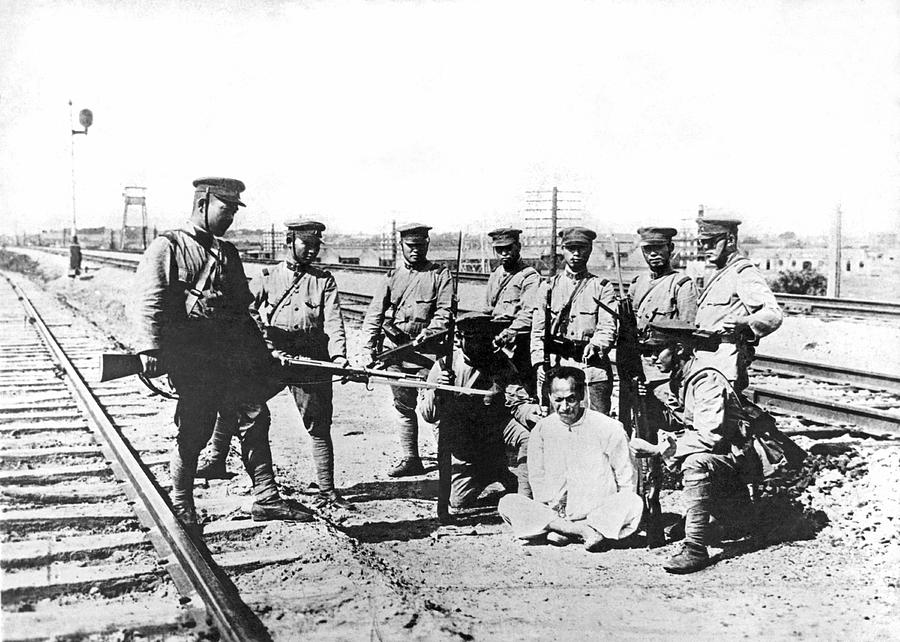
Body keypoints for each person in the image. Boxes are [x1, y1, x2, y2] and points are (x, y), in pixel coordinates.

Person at [132, 177, 313, 535]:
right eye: (225, 209)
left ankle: (266, 496)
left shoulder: (227, 252)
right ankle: (182, 503)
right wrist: (149, 347)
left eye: (233, 210)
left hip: (230, 355)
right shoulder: (168, 247)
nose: (231, 217)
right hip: (193, 356)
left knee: (255, 415)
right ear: (203, 203)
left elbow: (241, 310)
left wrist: (265, 350)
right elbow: (146, 300)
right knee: (196, 426)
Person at [634, 217, 784, 574]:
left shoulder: (742, 272)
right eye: (701, 241)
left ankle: (701, 540)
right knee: (708, 445)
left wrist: (745, 324)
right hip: (703, 372)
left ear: (730, 239)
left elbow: (773, 313)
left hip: (723, 375)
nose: (705, 247)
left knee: (708, 450)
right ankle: (729, 519)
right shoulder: (716, 274)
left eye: (712, 241)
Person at [196, 220, 354, 509]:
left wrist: (339, 356)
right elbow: (247, 309)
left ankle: (327, 492)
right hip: (273, 357)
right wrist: (266, 346)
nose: (312, 250)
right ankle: (216, 459)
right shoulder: (268, 276)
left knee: (318, 425)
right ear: (289, 241)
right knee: (238, 400)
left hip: (311, 359)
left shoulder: (323, 280)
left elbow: (333, 321)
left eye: (316, 245)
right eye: (306, 244)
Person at [498, 366, 643, 551]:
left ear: (582, 395)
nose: (565, 407)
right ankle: (579, 531)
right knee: (508, 503)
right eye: (558, 400)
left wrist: (618, 508)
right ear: (550, 396)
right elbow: (537, 478)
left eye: (571, 399)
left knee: (632, 502)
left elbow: (627, 477)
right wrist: (548, 510)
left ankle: (565, 530)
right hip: (557, 514)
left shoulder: (608, 427)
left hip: (597, 513)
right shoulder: (542, 430)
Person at [418, 312, 543, 509]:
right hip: (463, 442)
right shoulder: (444, 365)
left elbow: (516, 400)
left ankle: (523, 501)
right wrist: (438, 390)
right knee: (458, 502)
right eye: (474, 341)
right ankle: (487, 472)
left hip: (493, 428)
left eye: (484, 341)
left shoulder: (499, 361)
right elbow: (428, 415)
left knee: (528, 437)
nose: (480, 346)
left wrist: (530, 412)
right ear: (460, 340)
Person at [360, 223, 452, 477]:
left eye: (420, 246)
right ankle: (411, 459)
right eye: (410, 246)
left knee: (434, 408)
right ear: (401, 246)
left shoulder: (440, 275)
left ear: (427, 245)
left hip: (427, 355)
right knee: (403, 406)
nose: (415, 250)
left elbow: (445, 312)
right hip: (396, 353)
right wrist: (367, 348)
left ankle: (445, 459)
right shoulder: (392, 277)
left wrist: (429, 332)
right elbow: (374, 313)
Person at [530, 226, 617, 414]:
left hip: (591, 370)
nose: (576, 253)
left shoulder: (602, 287)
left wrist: (596, 345)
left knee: (596, 427)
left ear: (590, 250)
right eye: (571, 248)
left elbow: (608, 326)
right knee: (559, 426)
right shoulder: (548, 287)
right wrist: (538, 363)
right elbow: (537, 330)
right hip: (557, 369)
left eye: (582, 248)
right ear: (562, 249)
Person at [627, 226, 698, 431]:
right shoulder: (637, 284)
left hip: (666, 371)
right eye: (648, 249)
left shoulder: (682, 285)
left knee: (670, 424)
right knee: (641, 425)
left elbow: (687, 335)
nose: (654, 254)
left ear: (671, 248)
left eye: (660, 248)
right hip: (639, 366)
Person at [483, 227, 541, 392]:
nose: (504, 253)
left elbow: (529, 313)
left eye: (508, 248)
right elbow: (488, 308)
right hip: (496, 343)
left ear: (518, 247)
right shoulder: (496, 274)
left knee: (521, 390)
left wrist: (509, 332)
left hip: (518, 345)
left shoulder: (529, 277)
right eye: (499, 250)